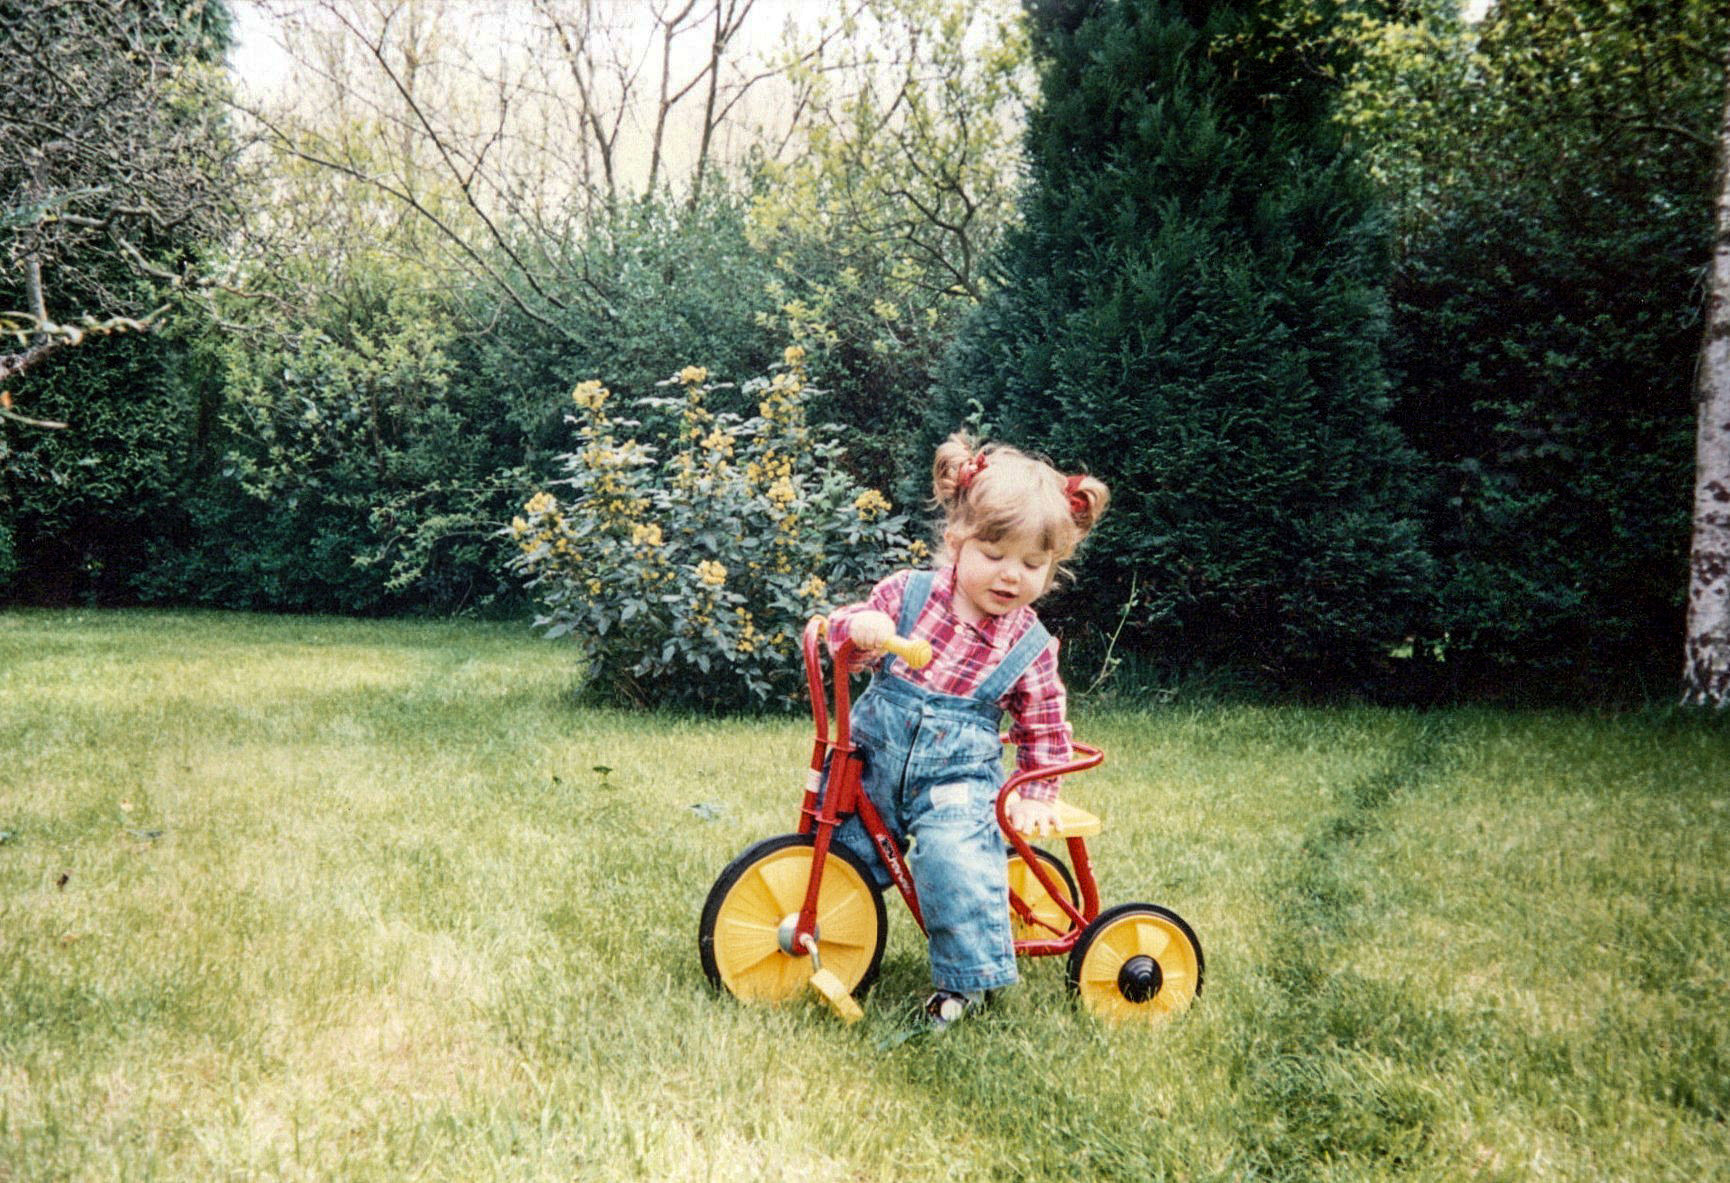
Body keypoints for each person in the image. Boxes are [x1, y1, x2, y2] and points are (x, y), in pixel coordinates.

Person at [825, 431, 1110, 1028]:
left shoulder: (1028, 646)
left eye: (1032, 565)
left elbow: (1044, 724)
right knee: (838, 847)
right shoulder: (907, 595)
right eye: (995, 554)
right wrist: (863, 628)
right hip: (875, 762)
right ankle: (822, 933)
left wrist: (1037, 792)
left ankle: (965, 982)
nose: (1011, 576)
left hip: (954, 781)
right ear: (957, 540)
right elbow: (847, 641)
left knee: (954, 859)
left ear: (1052, 569)